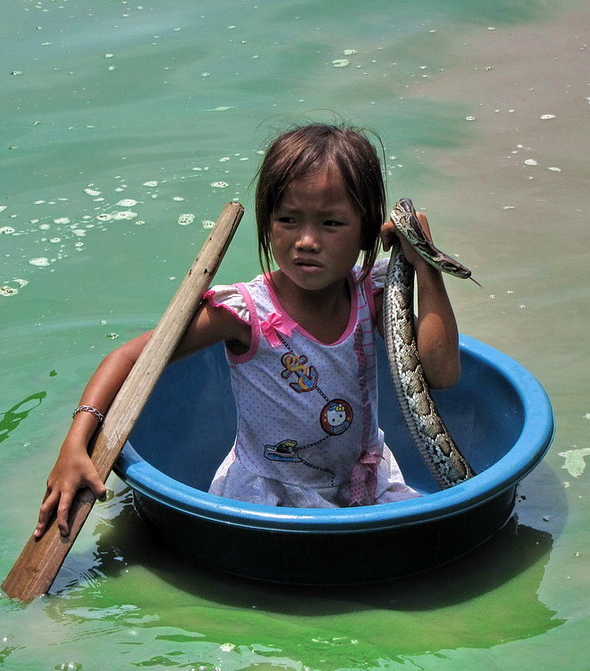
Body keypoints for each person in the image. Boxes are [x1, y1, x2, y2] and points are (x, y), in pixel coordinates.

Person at [36, 123, 461, 538]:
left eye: (331, 224)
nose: (307, 241)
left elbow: (441, 375)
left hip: (361, 483)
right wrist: (75, 444)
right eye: (288, 220)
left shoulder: (373, 295)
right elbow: (128, 359)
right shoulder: (245, 313)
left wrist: (424, 261)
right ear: (267, 223)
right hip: (269, 499)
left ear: (368, 231)